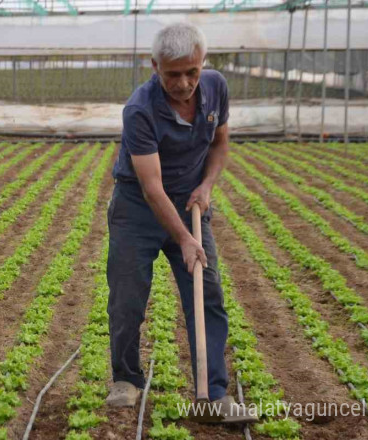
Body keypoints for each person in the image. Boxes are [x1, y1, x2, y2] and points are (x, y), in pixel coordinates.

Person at [105, 22, 256, 423]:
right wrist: (187, 239)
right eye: (173, 74)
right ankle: (126, 380)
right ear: (155, 66)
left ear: (202, 63)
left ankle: (214, 393)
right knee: (127, 297)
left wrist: (207, 186)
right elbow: (152, 188)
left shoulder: (217, 87)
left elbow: (221, 141)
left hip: (190, 201)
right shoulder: (139, 109)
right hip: (137, 207)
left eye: (192, 71)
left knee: (206, 294)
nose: (185, 82)